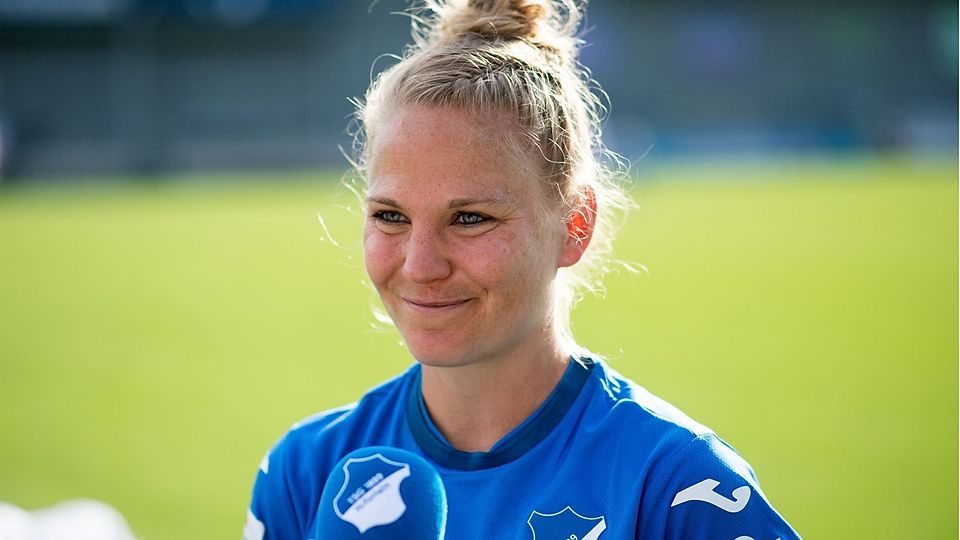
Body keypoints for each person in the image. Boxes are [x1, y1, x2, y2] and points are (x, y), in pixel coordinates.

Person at [245, 1, 801, 538]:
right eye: (391, 216)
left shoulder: (680, 488)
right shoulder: (306, 472)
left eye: (469, 218)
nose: (419, 265)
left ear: (575, 225)